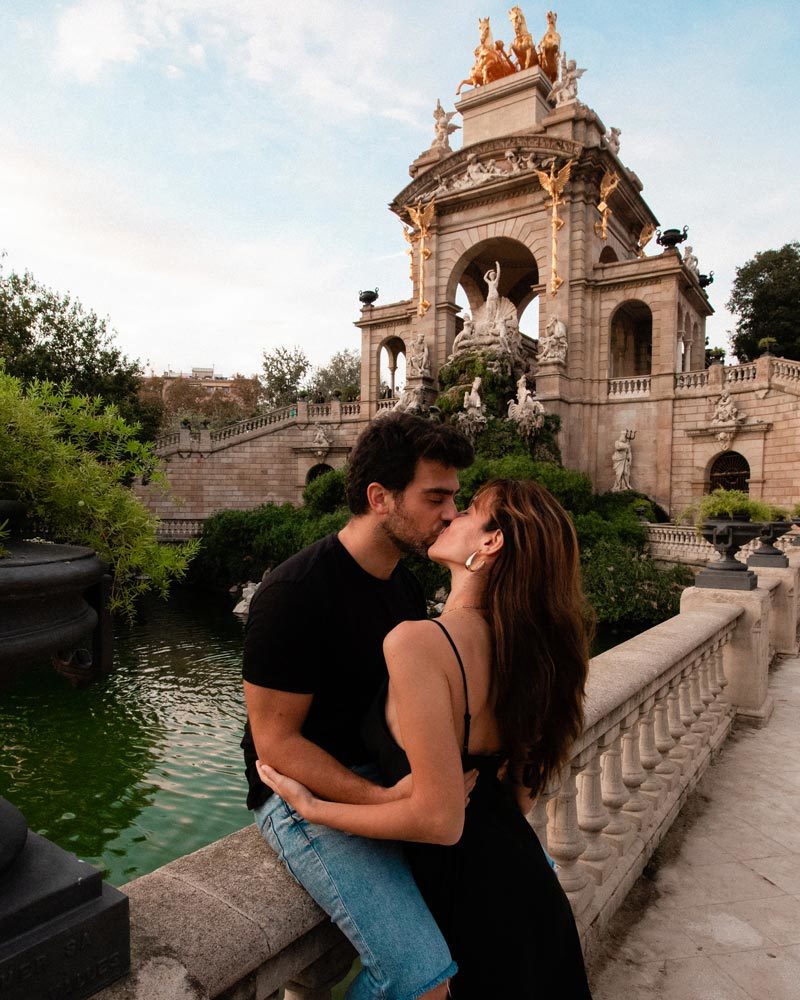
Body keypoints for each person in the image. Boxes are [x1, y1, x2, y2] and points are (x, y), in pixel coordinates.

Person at [259, 477, 594, 998]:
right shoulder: (533, 651)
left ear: (490, 543)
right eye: (443, 501)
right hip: (527, 889)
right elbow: (521, 797)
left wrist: (316, 810)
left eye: (467, 511)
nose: (450, 516)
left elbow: (438, 821)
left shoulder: (419, 642)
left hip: (466, 899)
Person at [242, 412, 474, 1000]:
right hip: (301, 797)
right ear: (381, 497)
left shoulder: (404, 586)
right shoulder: (294, 594)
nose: (450, 513)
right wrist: (384, 799)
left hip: (389, 780)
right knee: (423, 983)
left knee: (514, 905)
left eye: (454, 498)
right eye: (436, 497)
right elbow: (277, 745)